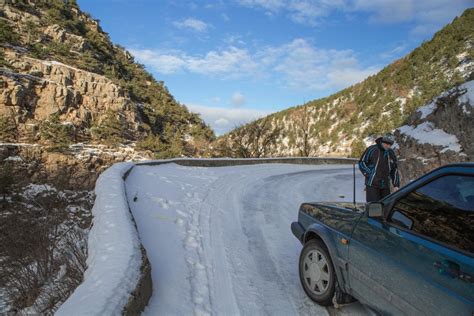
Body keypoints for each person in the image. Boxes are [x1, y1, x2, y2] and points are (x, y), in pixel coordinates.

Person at [359, 133, 400, 202]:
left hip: (385, 185)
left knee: (386, 206)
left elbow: (394, 169)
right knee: (373, 207)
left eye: (390, 144)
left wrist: (396, 185)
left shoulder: (391, 153)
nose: (388, 146)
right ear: (382, 142)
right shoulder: (372, 149)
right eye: (386, 144)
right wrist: (369, 174)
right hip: (372, 184)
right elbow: (362, 162)